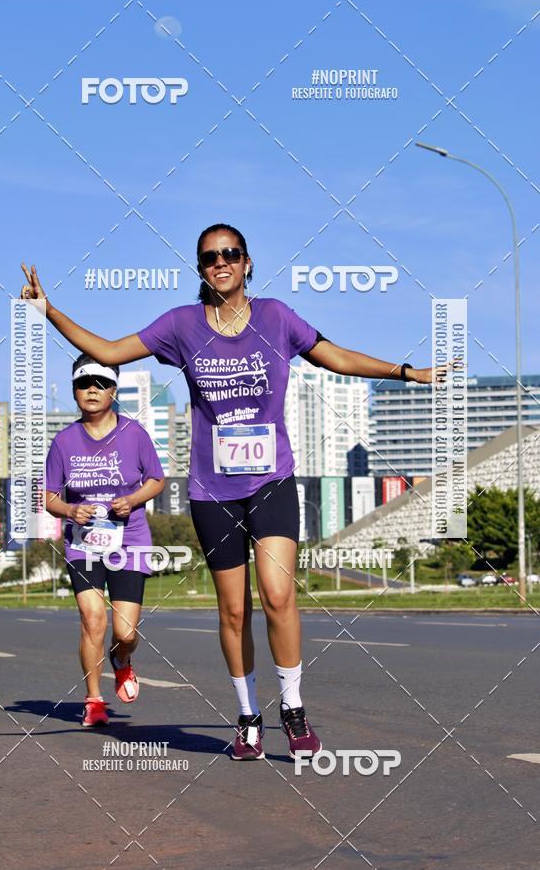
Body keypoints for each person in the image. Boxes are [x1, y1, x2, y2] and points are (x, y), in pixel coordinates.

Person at [21, 222, 436, 756]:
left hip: (272, 481)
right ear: (201, 269)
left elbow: (336, 356)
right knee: (234, 610)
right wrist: (48, 311)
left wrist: (406, 372)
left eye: (230, 254)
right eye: (210, 256)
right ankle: (247, 714)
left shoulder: (276, 318)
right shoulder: (181, 326)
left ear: (246, 263)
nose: (221, 262)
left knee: (280, 594)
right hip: (212, 491)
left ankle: (292, 707)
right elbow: (106, 349)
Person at [44, 353, 165, 727]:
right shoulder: (63, 442)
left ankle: (122, 660)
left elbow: (156, 479)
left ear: (114, 390)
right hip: (84, 543)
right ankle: (93, 699)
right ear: (74, 391)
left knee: (125, 633)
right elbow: (48, 497)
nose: (92, 390)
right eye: (84, 384)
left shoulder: (134, 434)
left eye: (100, 383)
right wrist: (69, 511)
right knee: (92, 618)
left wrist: (133, 499)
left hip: (130, 541)